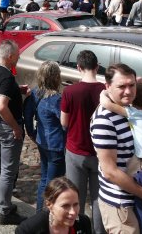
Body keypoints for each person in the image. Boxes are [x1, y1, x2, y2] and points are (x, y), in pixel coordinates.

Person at [89, 64, 142, 233]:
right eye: (121, 86)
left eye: (131, 85)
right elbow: (111, 172)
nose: (128, 91)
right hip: (120, 206)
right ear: (108, 86)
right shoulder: (104, 120)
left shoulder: (130, 109)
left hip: (135, 200)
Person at [61, 50, 107, 234]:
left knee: (75, 198)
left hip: (76, 151)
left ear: (79, 67)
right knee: (99, 199)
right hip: (101, 153)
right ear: (97, 67)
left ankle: (76, 230)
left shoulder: (70, 91)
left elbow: (64, 122)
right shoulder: (105, 90)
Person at [0, 39, 27, 225]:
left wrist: (18, 90)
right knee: (8, 170)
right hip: (8, 127)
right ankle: (5, 211)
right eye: (17, 55)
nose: (19, 57)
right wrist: (16, 127)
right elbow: (2, 106)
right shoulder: (7, 77)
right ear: (10, 57)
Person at [25, 61, 67, 212]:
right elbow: (64, 123)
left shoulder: (35, 93)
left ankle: (39, 212)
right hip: (55, 145)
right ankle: (46, 215)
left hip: (42, 141)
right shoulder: (56, 99)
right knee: (53, 183)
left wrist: (31, 133)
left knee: (44, 179)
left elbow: (28, 115)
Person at [15, 177, 93, 234]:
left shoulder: (84, 223)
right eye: (65, 206)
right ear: (49, 205)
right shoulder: (29, 229)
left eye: (76, 204)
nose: (73, 212)